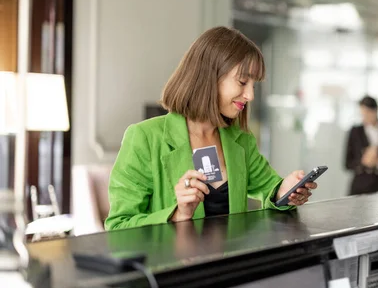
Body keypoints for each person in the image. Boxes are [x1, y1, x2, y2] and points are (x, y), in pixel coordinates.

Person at [105, 27, 317, 230]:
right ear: (210, 77)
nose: (250, 95)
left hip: (228, 264)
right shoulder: (145, 138)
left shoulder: (240, 139)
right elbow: (119, 226)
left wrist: (286, 190)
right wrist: (178, 215)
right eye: (243, 81)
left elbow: (269, 189)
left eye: (254, 85)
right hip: (174, 265)